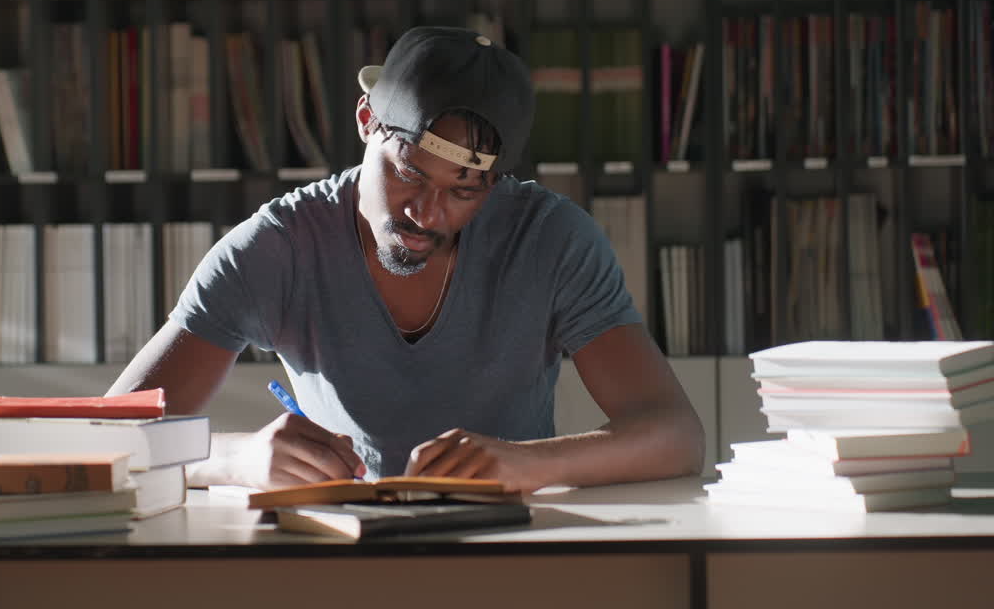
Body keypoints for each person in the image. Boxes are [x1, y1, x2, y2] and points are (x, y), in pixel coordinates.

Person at [106, 26, 704, 492]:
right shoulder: (275, 248)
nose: (426, 213)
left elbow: (677, 434)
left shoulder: (552, 240)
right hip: (338, 557)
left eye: (464, 191)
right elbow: (108, 437)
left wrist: (528, 463)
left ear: (495, 183)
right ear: (367, 121)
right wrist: (235, 458)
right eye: (410, 173)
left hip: (510, 554)